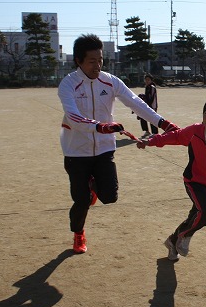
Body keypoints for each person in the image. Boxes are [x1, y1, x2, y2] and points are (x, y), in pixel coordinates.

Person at [58, 34, 178, 254]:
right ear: (78, 61)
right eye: (92, 61)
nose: (98, 65)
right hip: (76, 150)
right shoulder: (68, 84)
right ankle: (78, 233)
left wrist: (163, 123)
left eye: (100, 60)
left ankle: (93, 186)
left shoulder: (110, 81)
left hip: (104, 148)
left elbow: (135, 102)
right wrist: (100, 127)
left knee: (110, 196)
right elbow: (73, 117)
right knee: (81, 201)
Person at [137, 97, 206, 260]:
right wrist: (150, 141)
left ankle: (172, 241)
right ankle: (184, 235)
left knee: (194, 217)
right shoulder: (195, 131)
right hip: (193, 181)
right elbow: (175, 136)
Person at [137, 74, 159, 138]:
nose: (147, 81)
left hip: (152, 106)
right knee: (142, 117)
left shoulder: (152, 87)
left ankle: (155, 133)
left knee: (152, 118)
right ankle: (147, 131)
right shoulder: (147, 87)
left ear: (151, 80)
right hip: (147, 105)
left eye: (148, 80)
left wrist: (147, 105)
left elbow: (151, 98)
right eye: (146, 80)